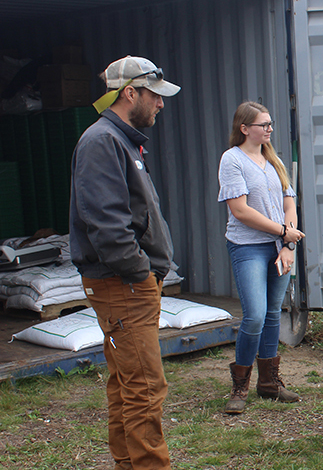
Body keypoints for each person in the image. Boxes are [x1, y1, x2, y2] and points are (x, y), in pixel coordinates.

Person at [70, 55, 180, 469]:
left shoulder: (123, 140)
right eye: (155, 95)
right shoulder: (102, 142)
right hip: (124, 285)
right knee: (146, 387)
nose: (161, 104)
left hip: (130, 284)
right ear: (129, 93)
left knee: (126, 385)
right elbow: (107, 224)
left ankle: (128, 464)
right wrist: (139, 273)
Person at [218, 101, 304, 414]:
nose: (269, 129)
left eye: (270, 124)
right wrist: (284, 232)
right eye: (262, 125)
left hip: (278, 247)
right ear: (244, 128)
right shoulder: (233, 160)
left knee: (271, 314)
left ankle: (269, 383)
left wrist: (288, 244)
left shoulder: (273, 160)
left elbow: (290, 205)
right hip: (248, 247)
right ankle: (239, 385)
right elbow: (240, 211)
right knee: (254, 315)